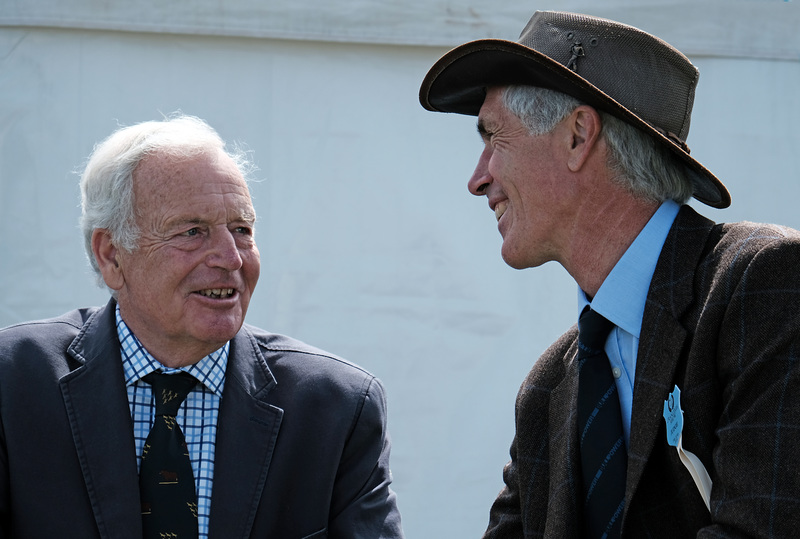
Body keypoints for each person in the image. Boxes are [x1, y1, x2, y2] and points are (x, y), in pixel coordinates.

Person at [420, 10, 800, 538]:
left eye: (494, 137)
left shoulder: (764, 283)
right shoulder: (548, 387)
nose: (478, 179)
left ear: (578, 136)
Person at [0, 114, 404, 538]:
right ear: (112, 255)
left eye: (241, 230)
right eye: (193, 231)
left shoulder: (336, 408)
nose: (231, 258)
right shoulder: (14, 384)